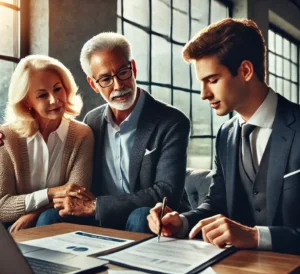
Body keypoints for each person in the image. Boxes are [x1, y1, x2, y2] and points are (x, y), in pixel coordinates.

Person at [147, 18, 300, 255]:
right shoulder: (226, 135)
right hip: (236, 270)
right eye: (202, 83)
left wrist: (255, 236)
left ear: (246, 71)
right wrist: (182, 222)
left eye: (212, 80)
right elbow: (217, 203)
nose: (203, 94)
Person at [38, 32, 191, 232]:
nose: (118, 85)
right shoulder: (91, 121)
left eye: (123, 73)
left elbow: (166, 193)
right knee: (50, 217)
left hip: (150, 217)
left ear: (133, 69)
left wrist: (96, 206)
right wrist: (10, 137)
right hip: (100, 218)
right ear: (94, 84)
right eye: (105, 79)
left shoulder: (172, 121)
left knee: (140, 216)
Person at [0, 55, 95, 232]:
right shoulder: (6, 137)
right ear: (27, 101)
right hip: (10, 229)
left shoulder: (82, 134)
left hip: (61, 222)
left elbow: (75, 198)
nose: (54, 99)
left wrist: (32, 215)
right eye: (43, 95)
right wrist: (51, 193)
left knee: (49, 216)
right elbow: (2, 206)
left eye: (58, 89)